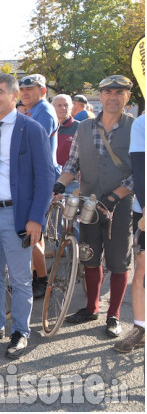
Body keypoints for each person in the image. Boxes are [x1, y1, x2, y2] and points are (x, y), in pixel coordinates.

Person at [0, 73, 54, 359]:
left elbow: (44, 177)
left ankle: (20, 331)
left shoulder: (30, 129)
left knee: (19, 278)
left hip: (16, 215)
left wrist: (36, 219)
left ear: (14, 96)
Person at [56, 75, 134, 339]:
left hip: (119, 206)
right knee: (89, 255)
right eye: (108, 92)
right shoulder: (84, 127)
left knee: (118, 261)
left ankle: (113, 315)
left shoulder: (137, 127)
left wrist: (118, 194)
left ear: (128, 97)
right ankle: (90, 308)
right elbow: (72, 163)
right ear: (99, 96)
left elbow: (141, 170)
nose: (113, 97)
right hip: (88, 203)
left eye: (119, 92)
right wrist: (60, 183)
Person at [18, 73, 60, 299]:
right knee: (33, 233)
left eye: (30, 90)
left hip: (38, 180)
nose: (25, 93)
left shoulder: (43, 113)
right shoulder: (35, 111)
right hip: (33, 178)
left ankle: (42, 279)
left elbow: (31, 149)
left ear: (43, 91)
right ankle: (37, 275)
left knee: (32, 232)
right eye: (22, 90)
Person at [114, 112, 145, 352]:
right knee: (142, 271)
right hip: (144, 210)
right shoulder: (142, 123)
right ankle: (140, 327)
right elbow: (140, 168)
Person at [52, 94, 80, 194]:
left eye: (66, 105)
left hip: (71, 182)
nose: (63, 108)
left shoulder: (79, 127)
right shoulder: (48, 126)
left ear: (71, 107)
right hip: (50, 179)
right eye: (59, 105)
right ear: (53, 108)